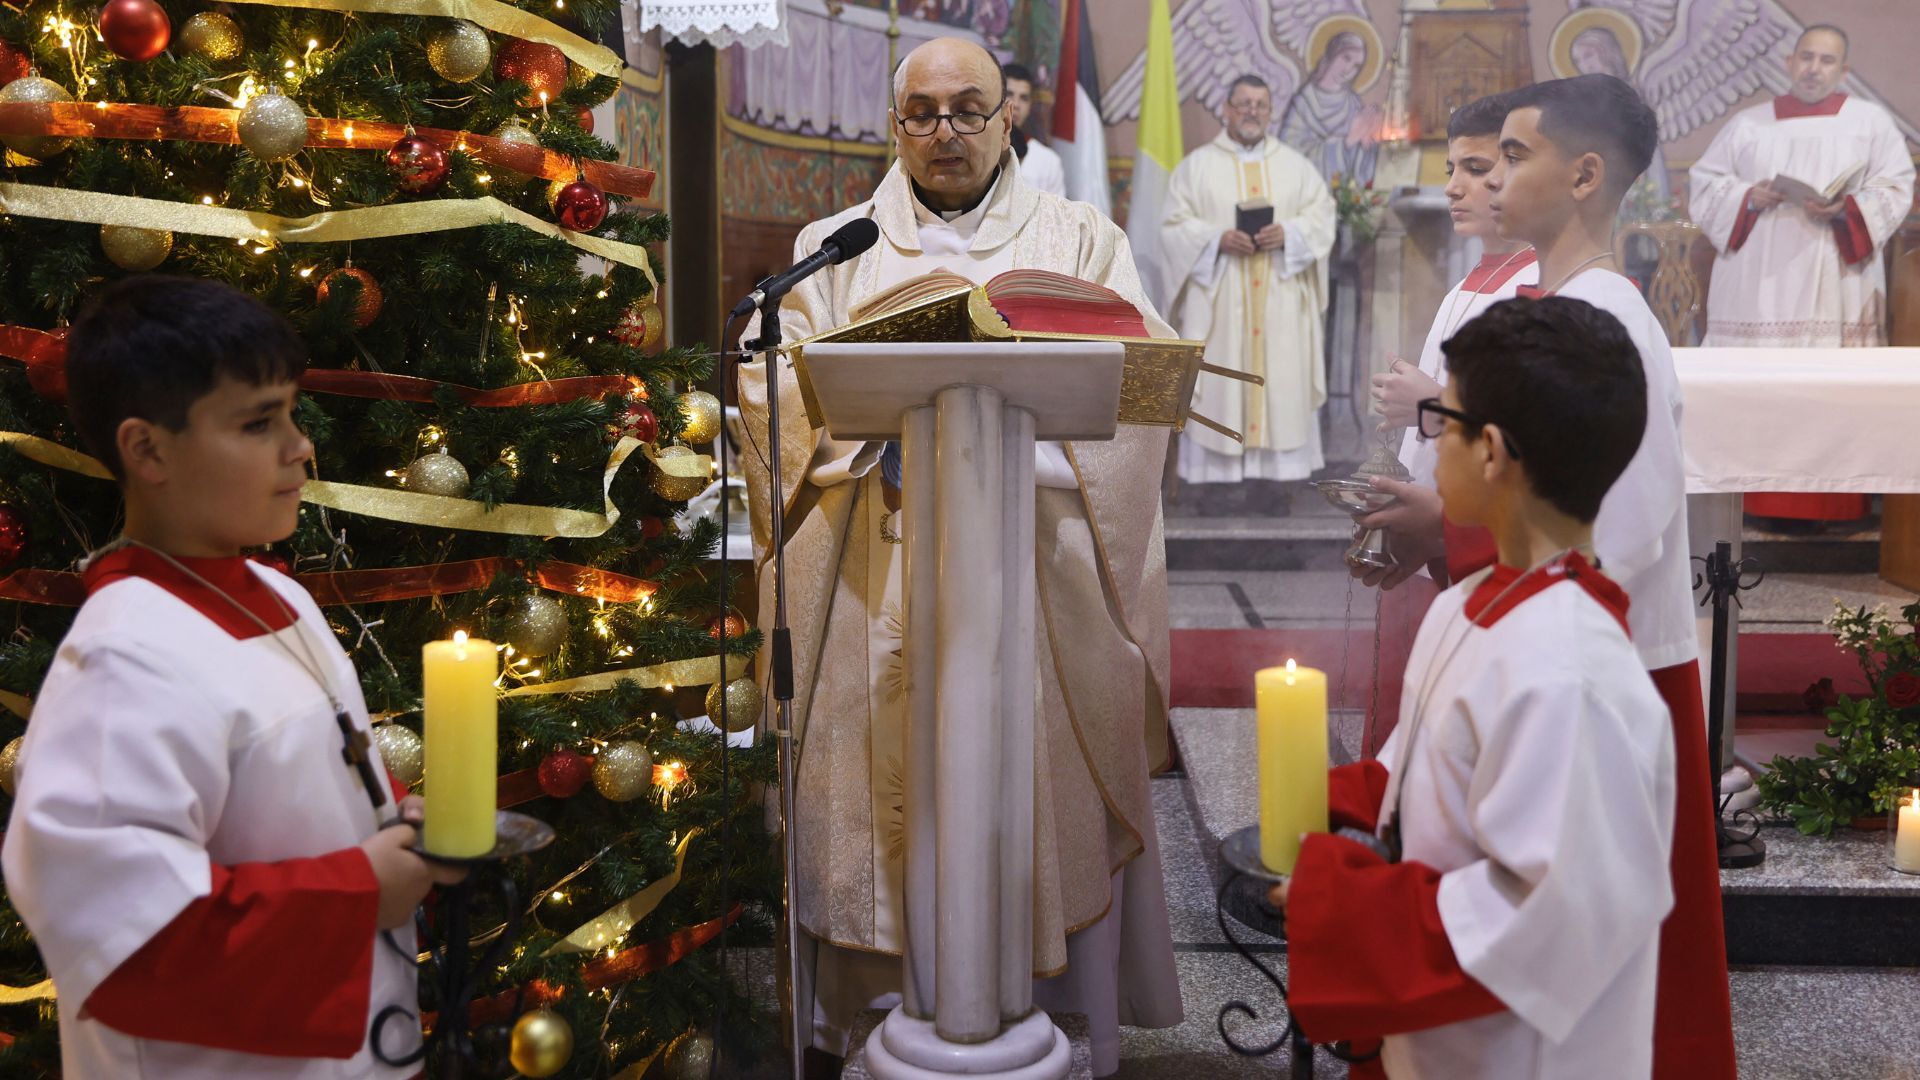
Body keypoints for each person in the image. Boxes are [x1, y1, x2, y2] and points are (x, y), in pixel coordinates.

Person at [735, 37, 1181, 1075]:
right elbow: (770, 386)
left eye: (967, 109)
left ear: (1004, 117)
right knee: (870, 764)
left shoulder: (1080, 240)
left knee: (1026, 774)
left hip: (1030, 565)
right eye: (923, 113)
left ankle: (1032, 1000)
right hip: (870, 564)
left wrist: (1008, 445)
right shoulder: (836, 245)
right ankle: (875, 1006)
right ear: (896, 128)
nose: (945, 132)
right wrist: (859, 435)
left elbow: (1146, 389)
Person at [2, 275, 463, 1077]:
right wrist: (363, 888)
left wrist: (395, 829)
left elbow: (291, 776)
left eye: (291, 411)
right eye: (258, 422)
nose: (300, 446)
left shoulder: (278, 591)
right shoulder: (123, 659)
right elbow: (126, 936)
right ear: (146, 449)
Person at [1275, 296, 1677, 1078]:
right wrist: (1329, 795)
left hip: (1519, 1055)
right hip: (1437, 1042)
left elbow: (1550, 914)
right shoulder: (1472, 600)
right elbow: (1433, 761)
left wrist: (1337, 904)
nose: (1428, 444)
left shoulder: (1571, 674)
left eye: (1440, 423)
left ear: (1491, 452)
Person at [1356, 90, 1537, 753]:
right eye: (1450, 170)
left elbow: (1533, 432)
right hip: (1444, 538)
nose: (1455, 186)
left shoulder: (1536, 284)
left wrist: (1431, 405)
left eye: (1476, 168)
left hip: (1484, 545)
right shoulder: (1477, 279)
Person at [1689, 23, 1915, 522]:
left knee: (1826, 388)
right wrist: (1750, 196)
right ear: (1790, 63)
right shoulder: (1748, 125)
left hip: (1834, 277)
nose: (1814, 68)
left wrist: (1847, 208)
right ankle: (1750, 498)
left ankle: (1829, 505)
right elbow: (1705, 185)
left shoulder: (1869, 122)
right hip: (1756, 282)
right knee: (1758, 390)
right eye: (1806, 57)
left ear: (1844, 70)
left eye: (1826, 60)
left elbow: (1897, 186)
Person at [1160, 74, 1337, 485]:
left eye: (1260, 104)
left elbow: (1322, 216)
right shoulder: (1196, 167)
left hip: (1281, 299)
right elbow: (1172, 226)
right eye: (1243, 104)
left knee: (1282, 385)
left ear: (1270, 111)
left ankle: (1279, 482)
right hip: (1221, 302)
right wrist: (1215, 240)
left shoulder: (1297, 168)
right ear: (1226, 109)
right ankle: (1216, 482)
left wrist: (1290, 234)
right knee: (1221, 386)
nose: (1252, 112)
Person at [1279, 30, 1383, 185]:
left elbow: (1361, 166)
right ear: (1332, 54)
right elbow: (1289, 156)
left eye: (1356, 66)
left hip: (1343, 199)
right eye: (1346, 58)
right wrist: (1348, 141)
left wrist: (1367, 143)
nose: (1348, 70)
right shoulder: (1304, 103)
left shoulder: (1353, 103)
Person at [1003, 61, 1066, 197]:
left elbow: (1056, 216)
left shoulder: (1048, 161)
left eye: (1024, 98)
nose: (1016, 105)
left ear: (1030, 105)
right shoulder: (979, 149)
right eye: (1009, 94)